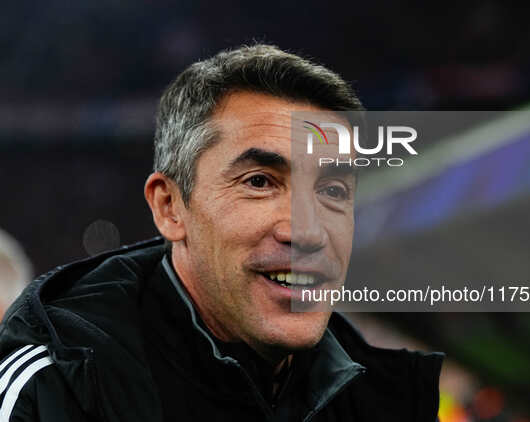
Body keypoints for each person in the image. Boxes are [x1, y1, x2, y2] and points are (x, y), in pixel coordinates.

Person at [0, 44, 443, 421]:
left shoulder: (382, 395)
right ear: (170, 207)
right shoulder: (62, 381)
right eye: (260, 182)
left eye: (331, 189)